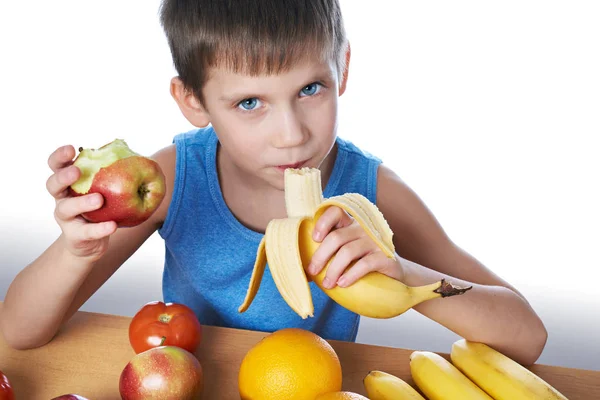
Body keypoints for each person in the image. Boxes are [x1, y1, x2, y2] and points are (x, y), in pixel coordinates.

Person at [0, 0, 547, 365]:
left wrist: (403, 273)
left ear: (344, 70)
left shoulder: (373, 191)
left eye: (311, 89)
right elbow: (20, 332)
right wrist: (77, 250)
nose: (291, 135)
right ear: (193, 101)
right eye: (249, 102)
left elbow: (527, 335)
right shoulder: (173, 177)